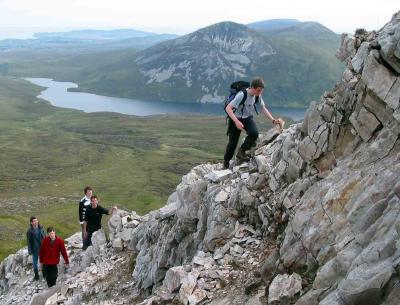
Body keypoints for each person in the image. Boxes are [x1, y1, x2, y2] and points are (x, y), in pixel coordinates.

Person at [223, 77, 284, 169]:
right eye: (259, 90)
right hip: (235, 118)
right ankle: (226, 162)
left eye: (261, 91)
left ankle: (242, 152)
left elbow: (263, 108)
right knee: (232, 144)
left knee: (254, 133)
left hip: (247, 117)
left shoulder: (257, 95)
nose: (260, 93)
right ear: (253, 88)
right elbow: (228, 108)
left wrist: (273, 120)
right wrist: (236, 121)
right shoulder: (241, 95)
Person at [26, 216, 46, 281]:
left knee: (43, 261)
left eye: (36, 220)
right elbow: (29, 241)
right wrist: (30, 250)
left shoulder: (41, 227)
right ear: (31, 223)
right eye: (34, 221)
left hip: (42, 247)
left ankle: (44, 273)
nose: (36, 222)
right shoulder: (29, 231)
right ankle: (36, 275)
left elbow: (45, 236)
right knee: (35, 263)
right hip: (35, 249)